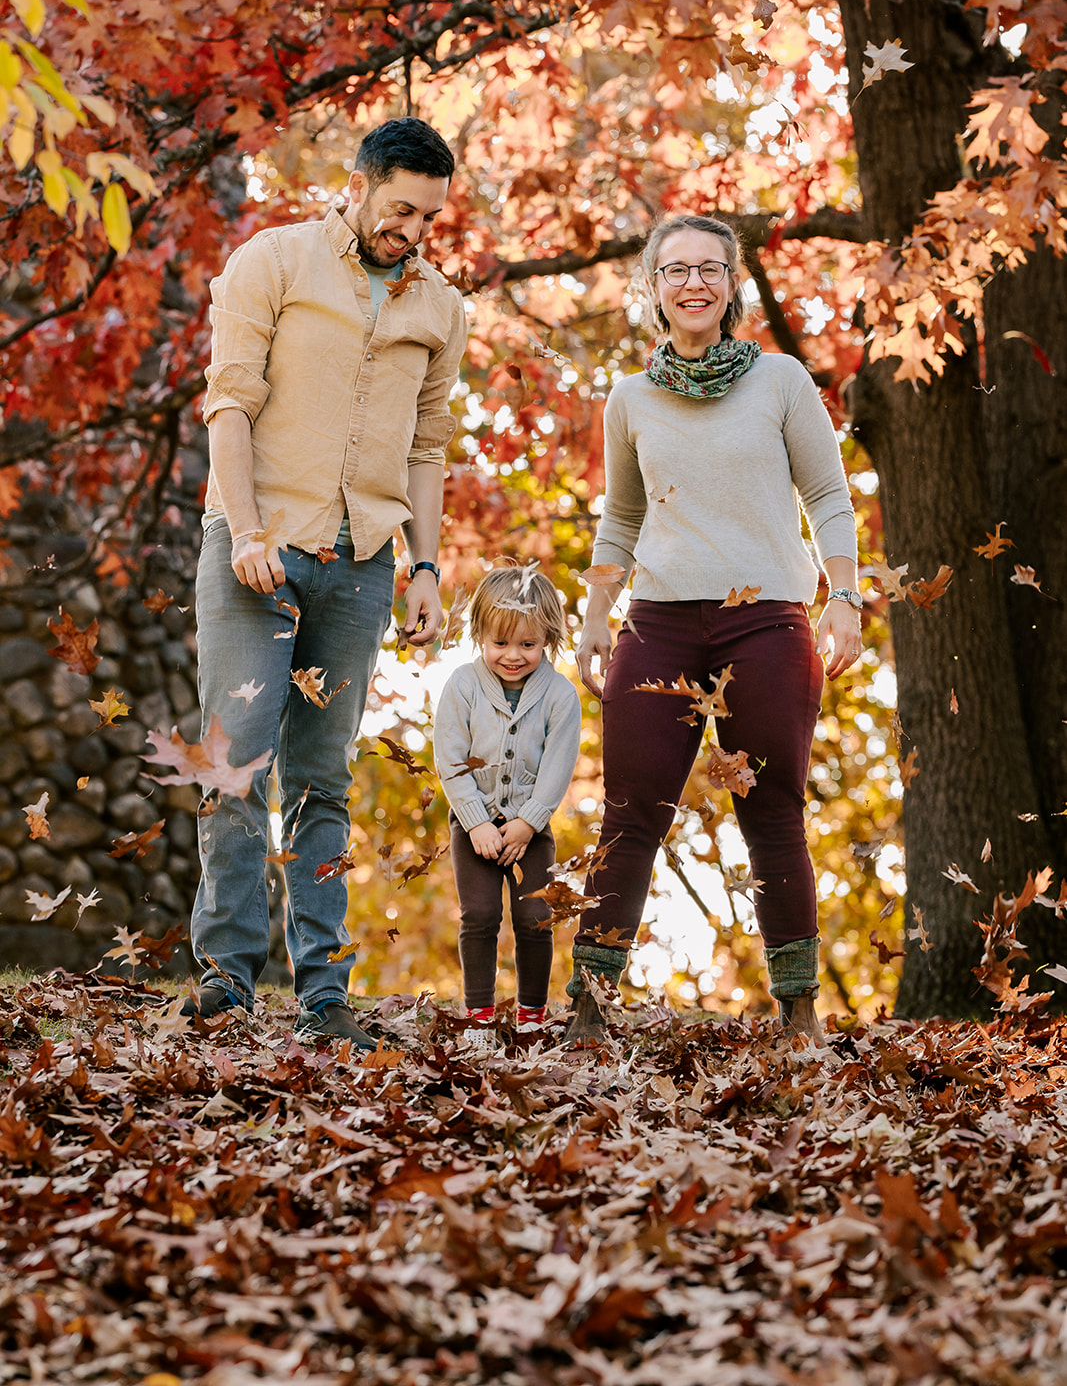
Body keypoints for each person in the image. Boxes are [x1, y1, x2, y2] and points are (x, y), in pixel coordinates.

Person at [183, 116, 467, 1047]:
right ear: (359, 183)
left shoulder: (439, 308)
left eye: (427, 217)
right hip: (257, 550)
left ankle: (323, 996)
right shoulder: (274, 262)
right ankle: (226, 979)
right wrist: (248, 529)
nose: (412, 231)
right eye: (399, 210)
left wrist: (425, 565)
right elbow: (230, 405)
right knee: (236, 768)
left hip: (361, 566)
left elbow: (426, 448)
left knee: (322, 780)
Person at [571, 213, 861, 1047]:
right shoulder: (629, 397)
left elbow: (829, 497)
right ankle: (589, 1010)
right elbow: (619, 519)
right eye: (674, 270)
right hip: (656, 625)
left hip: (766, 624)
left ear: (730, 282)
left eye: (708, 268)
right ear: (652, 288)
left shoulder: (779, 381)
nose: (692, 283)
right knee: (629, 814)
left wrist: (841, 595)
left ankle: (798, 1010)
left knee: (772, 811)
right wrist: (596, 618)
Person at [433, 566, 581, 1051]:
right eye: (500, 643)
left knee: (533, 920)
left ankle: (532, 1014)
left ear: (548, 639)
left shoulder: (559, 695)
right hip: (472, 824)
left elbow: (559, 765)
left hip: (529, 830)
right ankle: (478, 1015)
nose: (513, 656)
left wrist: (527, 823)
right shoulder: (463, 685)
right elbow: (449, 758)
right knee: (478, 915)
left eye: (528, 645)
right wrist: (476, 822)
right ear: (480, 635)